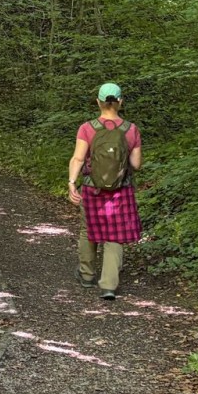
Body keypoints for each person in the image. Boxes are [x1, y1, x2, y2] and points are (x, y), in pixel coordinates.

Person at [66, 82, 142, 299]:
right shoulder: (131, 129)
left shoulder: (87, 128)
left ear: (98, 102)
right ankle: (108, 285)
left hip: (92, 187)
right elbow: (136, 164)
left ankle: (87, 275)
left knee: (87, 229)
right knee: (115, 236)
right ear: (120, 102)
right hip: (121, 190)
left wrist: (72, 182)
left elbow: (78, 158)